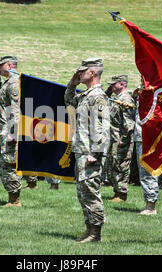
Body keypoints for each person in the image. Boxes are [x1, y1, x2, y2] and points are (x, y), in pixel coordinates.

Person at [64, 58, 110, 243]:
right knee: (83, 192)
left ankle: (95, 233)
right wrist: (72, 84)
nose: (79, 73)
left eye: (83, 71)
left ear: (92, 73)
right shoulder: (86, 95)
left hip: (91, 153)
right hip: (83, 150)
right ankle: (89, 229)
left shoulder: (97, 96)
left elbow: (101, 127)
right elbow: (68, 101)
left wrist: (95, 153)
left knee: (90, 191)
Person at [0, 55, 22, 206]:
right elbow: (0, 90)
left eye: (1, 65)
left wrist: (13, 132)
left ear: (9, 65)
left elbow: (15, 109)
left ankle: (15, 200)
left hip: (8, 130)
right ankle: (12, 198)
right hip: (2, 129)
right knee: (3, 163)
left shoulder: (14, 83)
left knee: (8, 163)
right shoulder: (8, 82)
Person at [105, 74, 135, 202]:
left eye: (114, 84)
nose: (111, 86)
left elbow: (129, 122)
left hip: (121, 138)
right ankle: (117, 192)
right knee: (113, 164)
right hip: (113, 137)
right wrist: (108, 92)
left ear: (122, 84)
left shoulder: (126, 99)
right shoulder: (116, 97)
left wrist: (124, 138)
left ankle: (122, 194)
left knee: (121, 165)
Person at [133, 86, 159, 214]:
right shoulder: (143, 96)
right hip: (140, 137)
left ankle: (151, 205)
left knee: (147, 171)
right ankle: (149, 203)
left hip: (147, 138)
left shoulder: (153, 97)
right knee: (143, 172)